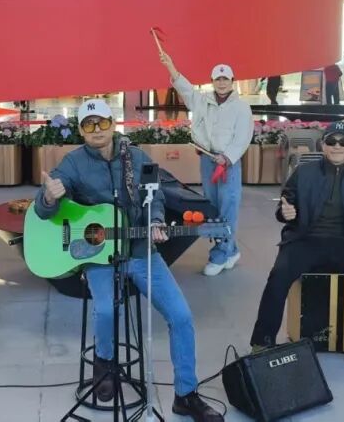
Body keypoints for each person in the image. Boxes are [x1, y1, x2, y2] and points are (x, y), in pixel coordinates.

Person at [34, 99, 223, 421]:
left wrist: (156, 221)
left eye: (102, 123)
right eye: (89, 125)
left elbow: (156, 196)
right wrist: (49, 196)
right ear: (81, 130)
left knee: (181, 316)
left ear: (113, 124)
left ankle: (186, 394)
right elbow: (42, 210)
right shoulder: (73, 163)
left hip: (140, 251)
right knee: (107, 309)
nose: (97, 130)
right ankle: (104, 365)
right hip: (99, 255)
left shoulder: (136, 157)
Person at [248, 121, 344, 377]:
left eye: (343, 142)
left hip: (343, 244)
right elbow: (285, 205)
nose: (337, 146)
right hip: (304, 241)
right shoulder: (303, 173)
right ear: (323, 145)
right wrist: (285, 212)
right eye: (331, 141)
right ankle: (262, 344)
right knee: (279, 275)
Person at [160, 51, 251, 277]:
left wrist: (227, 157)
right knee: (212, 207)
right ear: (212, 81)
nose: (222, 83)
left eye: (225, 79)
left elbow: (243, 137)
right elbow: (185, 89)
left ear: (232, 81)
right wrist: (171, 67)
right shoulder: (203, 101)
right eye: (217, 79)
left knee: (228, 207)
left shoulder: (241, 107)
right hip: (208, 160)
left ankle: (220, 253)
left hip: (228, 164)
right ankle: (231, 250)